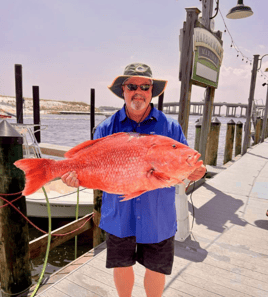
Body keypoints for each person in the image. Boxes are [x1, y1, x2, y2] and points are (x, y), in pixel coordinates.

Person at [61, 63, 206, 297]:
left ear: (152, 91)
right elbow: (92, 166)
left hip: (158, 215)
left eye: (145, 86)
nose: (138, 91)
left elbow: (182, 166)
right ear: (123, 90)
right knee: (121, 265)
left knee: (156, 269)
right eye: (132, 86)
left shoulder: (171, 127)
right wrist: (77, 177)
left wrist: (194, 173)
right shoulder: (107, 127)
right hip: (120, 212)